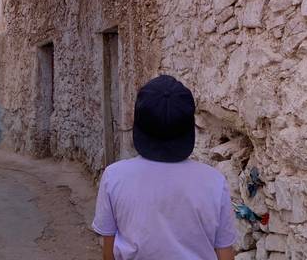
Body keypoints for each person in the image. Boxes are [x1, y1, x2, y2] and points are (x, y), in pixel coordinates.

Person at [92, 75, 237, 260]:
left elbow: (108, 252)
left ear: (139, 124)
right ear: (188, 127)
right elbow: (225, 253)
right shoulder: (214, 182)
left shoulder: (114, 177)